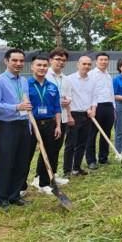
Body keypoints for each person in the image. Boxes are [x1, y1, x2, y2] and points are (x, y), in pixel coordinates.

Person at [0, 49, 31, 209]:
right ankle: (1, 199)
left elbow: (26, 107)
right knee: (6, 163)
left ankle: (15, 196)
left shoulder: (24, 81)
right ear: (6, 61)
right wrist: (16, 107)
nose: (18, 64)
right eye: (15, 60)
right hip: (8, 127)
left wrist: (29, 125)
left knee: (22, 162)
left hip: (23, 125)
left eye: (21, 61)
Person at [24, 55, 62, 195]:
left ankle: (44, 183)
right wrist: (28, 126)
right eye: (38, 65)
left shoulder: (52, 86)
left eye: (44, 65)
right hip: (31, 125)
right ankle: (21, 186)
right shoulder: (25, 85)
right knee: (26, 155)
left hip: (49, 124)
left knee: (50, 153)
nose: (42, 68)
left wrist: (58, 126)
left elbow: (57, 108)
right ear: (32, 67)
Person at [64, 56, 97, 177]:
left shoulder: (92, 80)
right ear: (78, 64)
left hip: (87, 115)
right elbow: (66, 98)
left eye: (89, 64)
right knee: (70, 144)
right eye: (84, 64)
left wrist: (93, 109)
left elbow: (94, 97)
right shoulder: (69, 79)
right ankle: (67, 170)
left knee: (82, 143)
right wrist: (68, 115)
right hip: (74, 115)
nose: (87, 66)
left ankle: (76, 168)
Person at [45, 48, 71, 186]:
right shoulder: (46, 76)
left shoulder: (65, 78)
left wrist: (68, 100)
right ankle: (40, 177)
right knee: (48, 148)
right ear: (51, 60)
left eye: (63, 60)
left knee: (56, 147)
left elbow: (69, 94)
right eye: (58, 59)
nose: (60, 62)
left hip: (63, 117)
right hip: (49, 117)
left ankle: (53, 174)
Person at [86, 53, 116, 170]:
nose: (104, 62)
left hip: (108, 107)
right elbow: (87, 91)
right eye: (101, 60)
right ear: (96, 61)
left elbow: (111, 93)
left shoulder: (108, 76)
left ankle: (103, 157)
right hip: (96, 107)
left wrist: (113, 109)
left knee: (106, 133)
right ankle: (91, 160)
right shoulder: (91, 75)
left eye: (106, 60)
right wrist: (89, 108)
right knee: (92, 134)